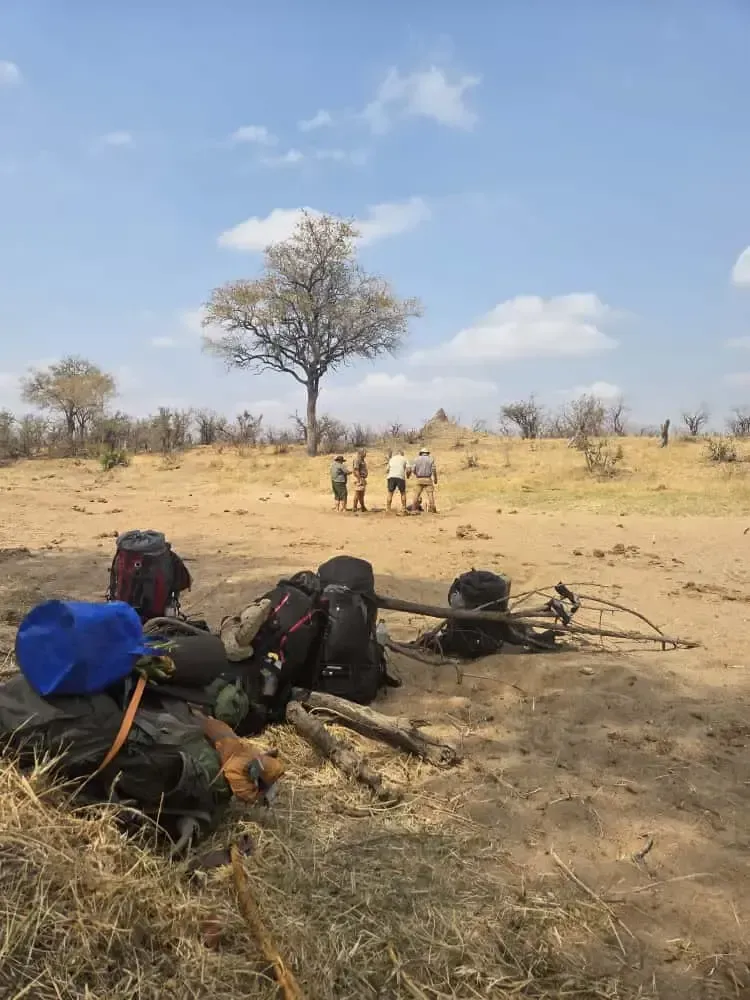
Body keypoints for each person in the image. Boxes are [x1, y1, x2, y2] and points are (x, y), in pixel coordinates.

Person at [411, 447, 438, 513]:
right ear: (427, 453)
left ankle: (414, 509)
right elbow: (434, 470)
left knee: (416, 494)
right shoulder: (431, 459)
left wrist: (417, 474)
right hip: (428, 479)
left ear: (421, 453)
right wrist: (435, 479)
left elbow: (413, 470)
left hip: (419, 478)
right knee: (430, 494)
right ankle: (432, 508)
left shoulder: (416, 459)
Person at [386, 447, 410, 513]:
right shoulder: (404, 458)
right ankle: (404, 508)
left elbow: (387, 470)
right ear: (402, 454)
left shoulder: (392, 459)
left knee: (390, 493)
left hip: (391, 477)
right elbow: (408, 469)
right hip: (400, 477)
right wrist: (408, 476)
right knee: (403, 492)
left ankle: (388, 508)